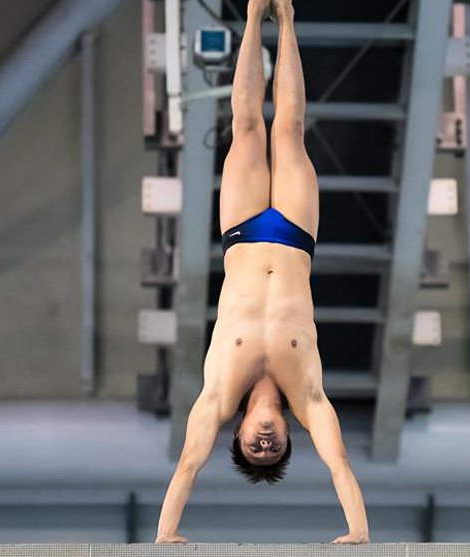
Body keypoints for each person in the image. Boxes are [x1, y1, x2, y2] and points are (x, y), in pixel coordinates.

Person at [154, 0, 369, 544]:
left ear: (241, 431)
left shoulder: (218, 394)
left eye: (254, 446)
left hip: (243, 234)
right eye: (274, 449)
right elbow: (339, 462)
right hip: (296, 236)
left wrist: (165, 538)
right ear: (292, 438)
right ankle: (288, 19)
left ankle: (252, 17)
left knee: (248, 127)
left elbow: (185, 467)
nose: (265, 444)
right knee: (291, 130)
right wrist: (359, 533)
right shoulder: (310, 394)